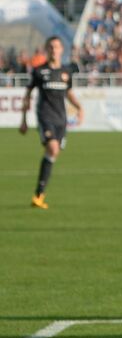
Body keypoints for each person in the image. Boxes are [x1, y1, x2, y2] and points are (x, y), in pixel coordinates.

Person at [19, 37, 83, 209]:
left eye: (57, 47)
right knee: (52, 148)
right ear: (47, 50)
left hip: (61, 119)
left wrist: (79, 107)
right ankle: (38, 196)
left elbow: (68, 92)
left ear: (62, 50)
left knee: (53, 154)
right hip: (45, 116)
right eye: (51, 47)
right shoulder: (39, 71)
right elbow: (27, 96)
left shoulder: (66, 71)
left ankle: (39, 195)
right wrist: (23, 120)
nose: (54, 50)